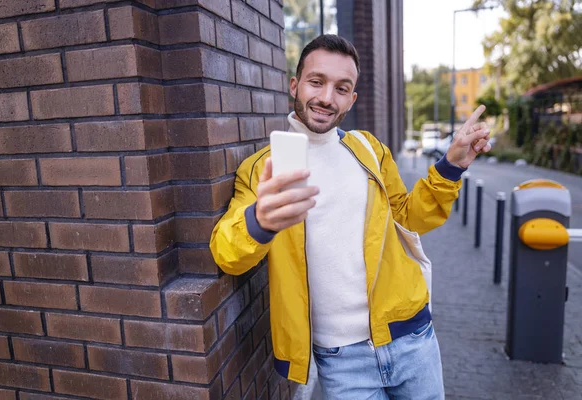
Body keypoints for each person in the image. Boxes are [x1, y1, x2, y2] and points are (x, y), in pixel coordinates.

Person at [210, 34, 491, 399]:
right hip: (340, 359)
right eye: (316, 82)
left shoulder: (368, 149)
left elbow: (409, 216)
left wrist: (450, 166)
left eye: (341, 88)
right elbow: (227, 254)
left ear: (352, 98)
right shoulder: (262, 169)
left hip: (412, 338)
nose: (327, 97)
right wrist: (260, 222)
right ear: (295, 85)